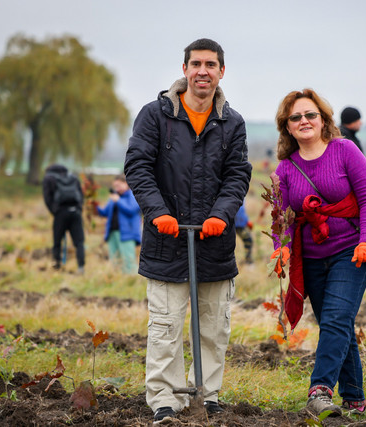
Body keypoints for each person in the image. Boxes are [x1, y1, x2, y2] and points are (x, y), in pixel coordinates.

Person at [124, 38, 251, 423]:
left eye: (211, 65)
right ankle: (165, 398)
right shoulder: (155, 115)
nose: (203, 71)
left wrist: (221, 215)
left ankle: (207, 395)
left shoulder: (232, 122)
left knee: (213, 327)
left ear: (221, 72)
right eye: (196, 64)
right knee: (165, 328)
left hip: (214, 243)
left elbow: (237, 175)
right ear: (184, 69)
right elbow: (138, 167)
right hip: (167, 241)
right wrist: (158, 212)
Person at [271, 89, 366, 416]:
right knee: (336, 324)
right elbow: (281, 219)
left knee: (335, 319)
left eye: (310, 115)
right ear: (287, 127)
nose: (304, 121)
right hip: (313, 259)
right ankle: (355, 400)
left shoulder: (345, 150)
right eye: (296, 117)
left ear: (323, 120)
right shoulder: (286, 169)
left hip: (351, 252)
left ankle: (319, 390)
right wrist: (282, 249)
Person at [42, 164, 85, 273]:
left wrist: (55, 211)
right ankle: (81, 267)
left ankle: (57, 265)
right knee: (79, 242)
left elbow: (47, 198)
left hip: (60, 212)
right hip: (75, 211)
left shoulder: (49, 178)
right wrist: (78, 208)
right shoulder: (72, 176)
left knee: (57, 241)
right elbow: (80, 193)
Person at [96, 174, 141, 274]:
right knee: (115, 260)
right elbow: (105, 212)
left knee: (128, 260)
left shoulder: (132, 195)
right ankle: (117, 280)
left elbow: (132, 210)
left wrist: (118, 201)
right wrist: (95, 206)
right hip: (113, 232)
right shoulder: (114, 198)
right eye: (115, 186)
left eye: (119, 185)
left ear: (126, 184)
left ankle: (130, 281)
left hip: (127, 233)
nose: (117, 188)